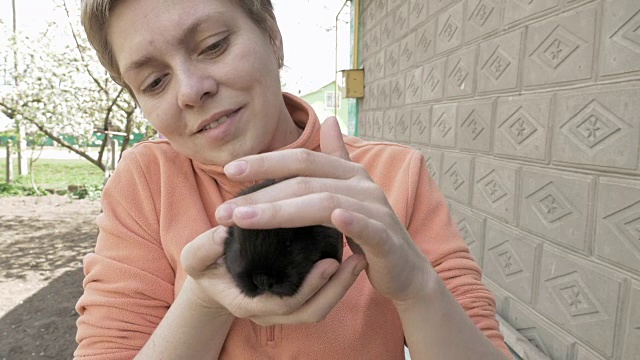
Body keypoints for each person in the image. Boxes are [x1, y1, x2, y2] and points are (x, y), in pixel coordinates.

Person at [75, 0, 512, 359]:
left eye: (212, 45)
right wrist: (204, 302)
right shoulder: (145, 184)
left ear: (272, 35)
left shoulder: (392, 176)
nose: (191, 90)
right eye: (154, 81)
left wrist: (418, 288)